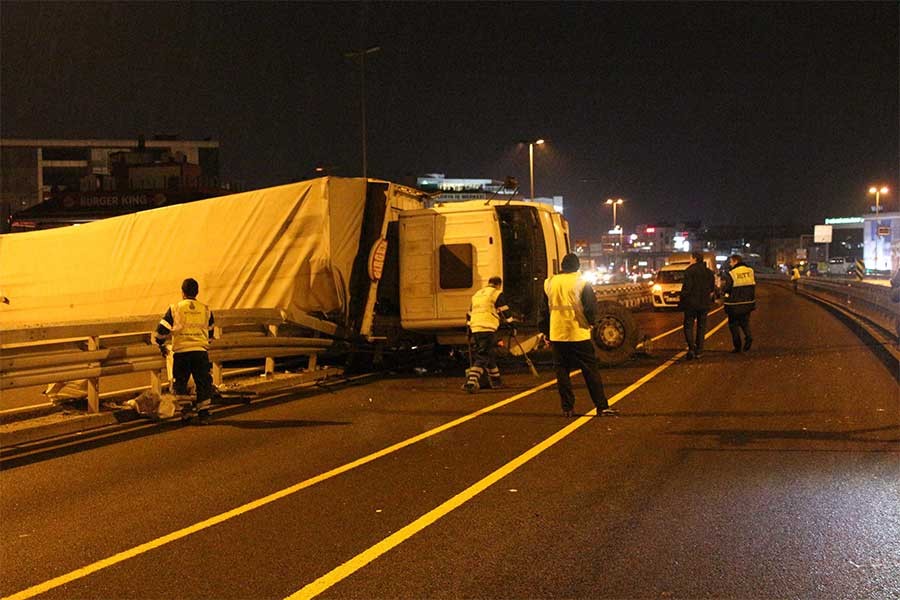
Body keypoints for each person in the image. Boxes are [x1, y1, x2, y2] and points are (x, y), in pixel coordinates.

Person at [540, 253, 614, 417]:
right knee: (590, 371)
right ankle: (601, 406)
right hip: (578, 332)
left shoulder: (550, 282)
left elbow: (544, 311)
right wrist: (591, 323)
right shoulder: (581, 282)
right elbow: (589, 308)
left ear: (562, 266)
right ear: (578, 266)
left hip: (557, 333)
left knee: (562, 372)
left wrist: (546, 331)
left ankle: (567, 408)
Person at [155, 278, 215, 424]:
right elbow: (211, 333)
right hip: (200, 352)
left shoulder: (175, 308)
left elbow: (161, 330)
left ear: (182, 292)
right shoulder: (206, 309)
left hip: (182, 352)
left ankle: (186, 411)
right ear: (197, 292)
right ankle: (204, 414)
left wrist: (161, 343)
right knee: (203, 383)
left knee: (180, 383)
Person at [463, 276, 513, 393]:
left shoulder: (477, 294)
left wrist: (469, 330)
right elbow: (505, 311)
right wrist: (512, 325)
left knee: (489, 354)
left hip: (475, 327)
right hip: (487, 327)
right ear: (498, 284)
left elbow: (470, 313)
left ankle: (496, 381)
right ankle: (471, 381)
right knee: (483, 355)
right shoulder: (496, 293)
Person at [679, 251, 716, 359]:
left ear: (694, 258)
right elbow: (712, 288)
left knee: (688, 325)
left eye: (690, 258)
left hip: (691, 303)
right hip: (704, 303)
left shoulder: (689, 271)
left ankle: (691, 348)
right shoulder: (709, 272)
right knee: (701, 326)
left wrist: (681, 299)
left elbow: (687, 288)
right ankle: (699, 350)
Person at [722, 254, 756, 353]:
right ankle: (748, 337)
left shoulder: (732, 273)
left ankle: (738, 347)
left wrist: (724, 292)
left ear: (735, 261)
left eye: (731, 262)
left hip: (734, 304)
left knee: (733, 325)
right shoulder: (750, 271)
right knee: (745, 322)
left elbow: (728, 288)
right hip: (748, 302)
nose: (730, 264)